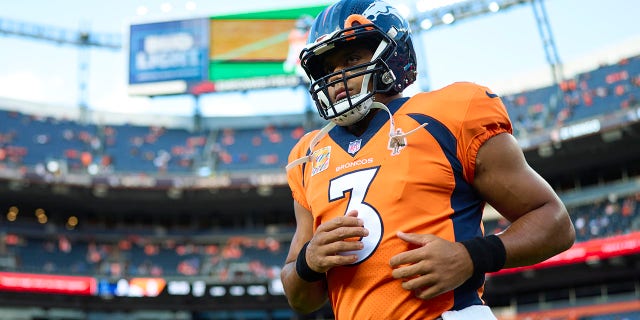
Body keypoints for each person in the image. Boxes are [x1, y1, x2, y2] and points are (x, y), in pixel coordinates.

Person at [280, 0, 576, 319]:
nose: (338, 77)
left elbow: (554, 221)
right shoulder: (309, 156)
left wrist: (471, 256)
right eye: (329, 68)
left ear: (391, 55)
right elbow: (301, 298)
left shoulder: (449, 114)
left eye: (351, 58)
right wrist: (309, 262)